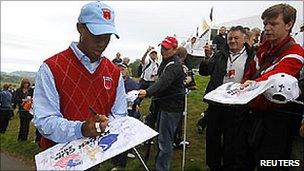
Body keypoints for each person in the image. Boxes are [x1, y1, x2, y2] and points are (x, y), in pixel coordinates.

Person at [33, 3, 127, 170]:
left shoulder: (114, 72)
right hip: (57, 160)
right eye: (97, 34)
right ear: (80, 28)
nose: (102, 42)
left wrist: (107, 126)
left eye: (108, 36)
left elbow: (119, 114)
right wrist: (81, 129)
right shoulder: (52, 67)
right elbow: (45, 120)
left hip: (93, 158)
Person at [241, 4, 304, 170]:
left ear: (289, 25)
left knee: (270, 164)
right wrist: (243, 87)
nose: (267, 28)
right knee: (246, 159)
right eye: (265, 24)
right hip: (253, 114)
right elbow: (250, 74)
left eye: (273, 24)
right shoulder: (263, 48)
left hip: (277, 121)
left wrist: (252, 86)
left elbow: (274, 78)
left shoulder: (296, 52)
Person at [199, 26, 255, 170]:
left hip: (238, 104)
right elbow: (205, 72)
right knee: (213, 137)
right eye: (230, 38)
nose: (232, 41)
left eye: (236, 38)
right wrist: (206, 58)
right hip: (217, 102)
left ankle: (229, 165)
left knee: (233, 139)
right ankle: (213, 165)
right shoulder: (220, 54)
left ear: (244, 39)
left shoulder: (252, 56)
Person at [139, 36, 185, 171]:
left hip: (171, 108)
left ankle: (162, 168)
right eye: (162, 47)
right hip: (163, 105)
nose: (163, 50)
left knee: (165, 141)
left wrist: (147, 92)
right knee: (161, 137)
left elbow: (163, 83)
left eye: (166, 48)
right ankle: (160, 165)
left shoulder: (174, 65)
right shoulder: (166, 61)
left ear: (175, 49)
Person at [111, 62, 139, 170]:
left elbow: (138, 97)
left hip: (129, 112)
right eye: (118, 69)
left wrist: (136, 103)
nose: (120, 71)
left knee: (126, 135)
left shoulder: (132, 83)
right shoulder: (112, 81)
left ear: (127, 70)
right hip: (114, 114)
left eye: (123, 69)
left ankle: (124, 158)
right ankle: (115, 161)